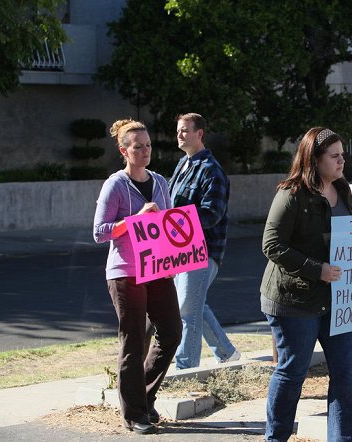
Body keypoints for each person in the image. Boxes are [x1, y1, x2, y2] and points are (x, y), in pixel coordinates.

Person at [260, 127, 352, 442]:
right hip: (294, 301)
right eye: (335, 156)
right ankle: (277, 437)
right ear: (315, 159)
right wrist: (316, 270)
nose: (343, 161)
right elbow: (272, 245)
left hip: (339, 300)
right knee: (293, 371)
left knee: (346, 372)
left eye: (342, 154)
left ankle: (344, 438)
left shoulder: (345, 190)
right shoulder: (291, 194)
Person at [93, 119, 182, 435]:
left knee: (172, 331)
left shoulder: (159, 181)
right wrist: (134, 220)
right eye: (137, 147)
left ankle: (143, 396)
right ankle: (134, 415)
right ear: (123, 150)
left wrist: (172, 259)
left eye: (148, 145)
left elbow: (169, 227)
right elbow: (100, 232)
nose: (145, 151)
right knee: (132, 340)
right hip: (125, 273)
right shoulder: (115, 185)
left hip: (157, 269)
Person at [169, 113, 240, 369]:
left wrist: (175, 220)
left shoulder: (211, 170)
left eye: (185, 130)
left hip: (203, 250)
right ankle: (226, 352)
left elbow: (212, 214)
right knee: (193, 304)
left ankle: (185, 368)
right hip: (179, 250)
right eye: (178, 130)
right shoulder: (183, 165)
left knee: (186, 311)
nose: (180, 135)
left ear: (200, 134)